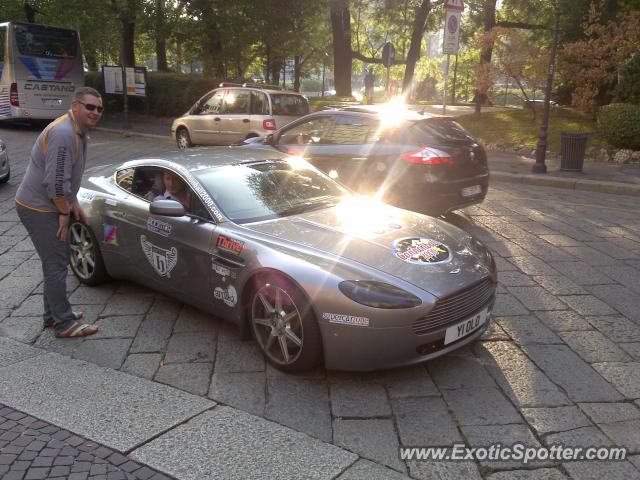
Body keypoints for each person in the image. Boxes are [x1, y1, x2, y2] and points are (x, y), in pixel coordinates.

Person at [15, 87, 103, 338]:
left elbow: (65, 178)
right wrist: (64, 214)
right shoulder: (64, 134)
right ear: (75, 106)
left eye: (99, 108)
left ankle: (53, 314)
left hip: (46, 204)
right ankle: (63, 324)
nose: (95, 112)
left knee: (55, 262)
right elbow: (54, 183)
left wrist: (73, 201)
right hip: (39, 208)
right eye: (90, 107)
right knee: (56, 265)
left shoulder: (76, 130)